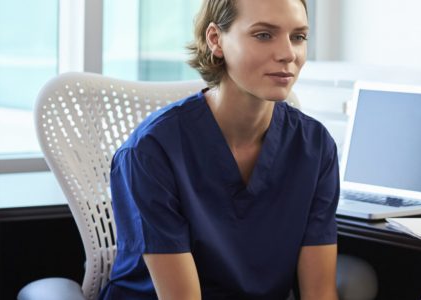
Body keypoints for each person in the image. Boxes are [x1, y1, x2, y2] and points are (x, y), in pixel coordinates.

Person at [100, 0, 341, 299]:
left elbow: (319, 293)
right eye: (264, 35)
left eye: (298, 37)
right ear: (216, 40)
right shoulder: (151, 152)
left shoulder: (315, 147)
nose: (288, 54)